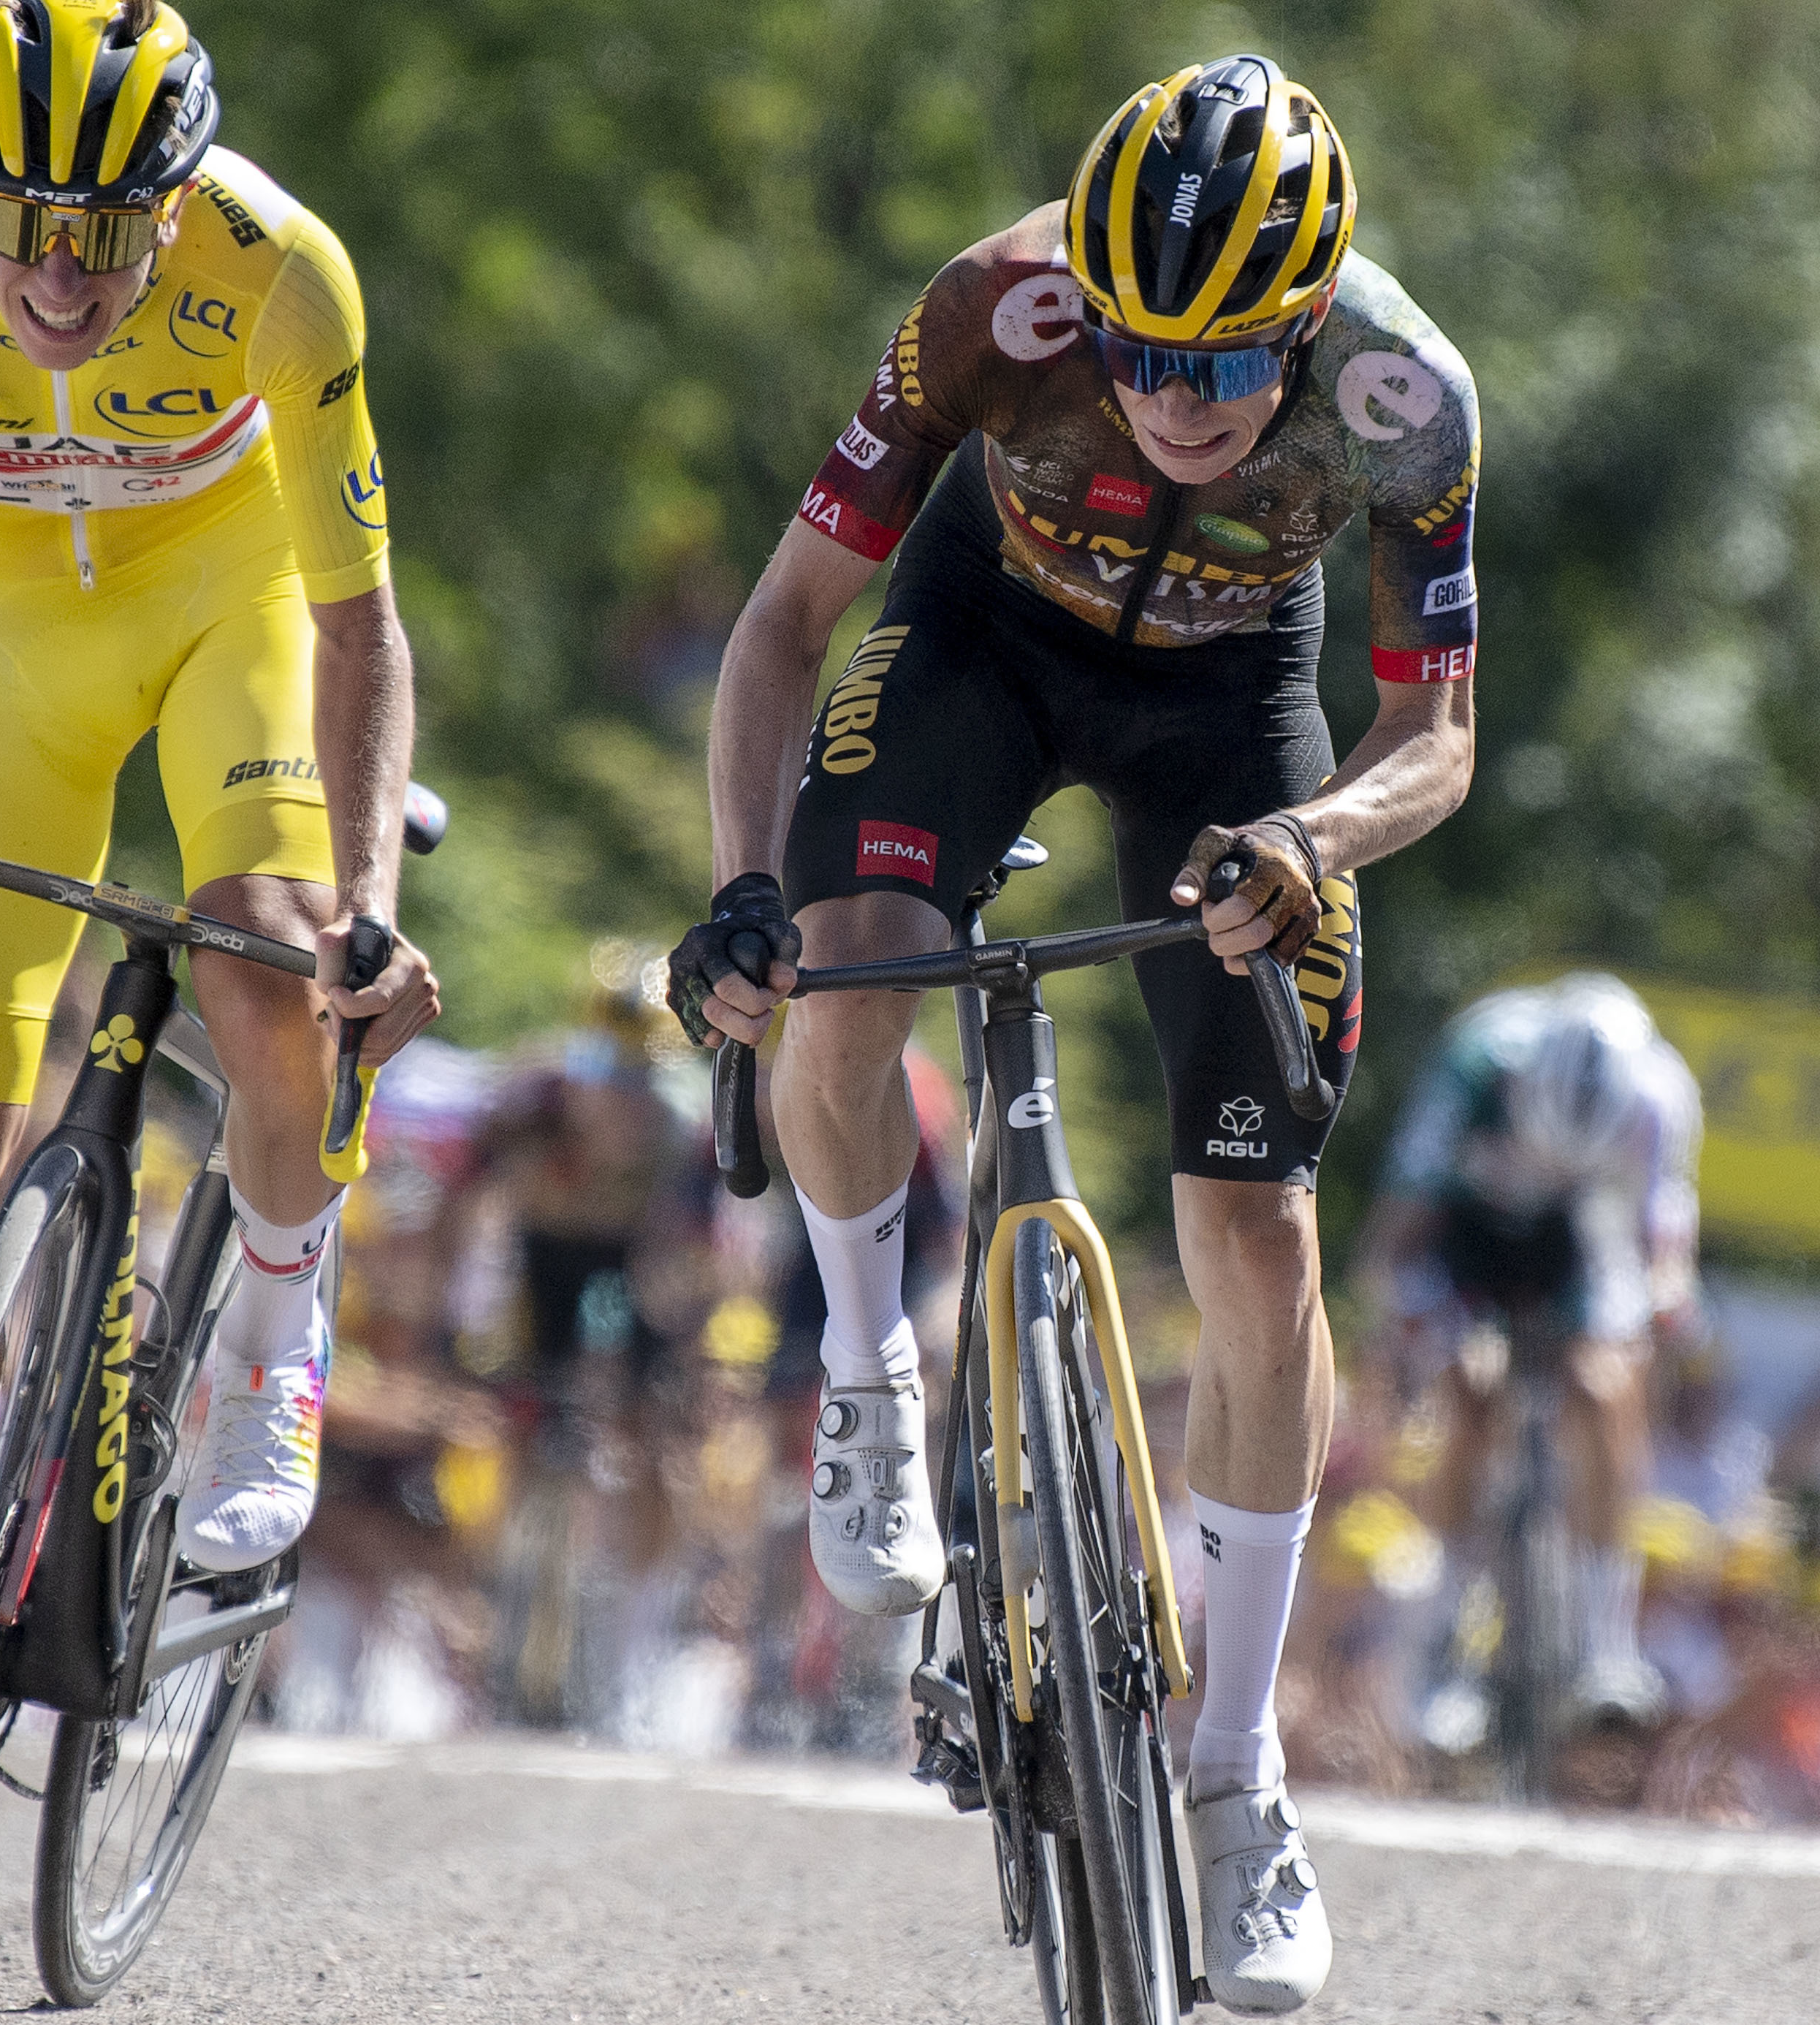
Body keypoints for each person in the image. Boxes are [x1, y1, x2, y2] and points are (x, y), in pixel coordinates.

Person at [669, 56, 1480, 2015]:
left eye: (1221, 365)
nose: (1173, 398)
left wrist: (1306, 837)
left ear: (1302, 323)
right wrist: (740, 886)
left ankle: (1234, 1771)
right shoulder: (988, 312)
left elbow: (1437, 731)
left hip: (1233, 711)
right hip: (983, 635)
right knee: (852, 961)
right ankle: (870, 1368)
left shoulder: (1405, 398)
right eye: (1139, 353)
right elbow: (786, 623)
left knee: (1257, 1222)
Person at [0, 0, 438, 1659]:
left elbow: (359, 624)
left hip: (231, 606)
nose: (59, 279)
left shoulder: (282, 269)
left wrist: (363, 903)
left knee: (272, 959)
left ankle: (270, 1340)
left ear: (178, 204)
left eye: (107, 233)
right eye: (20, 229)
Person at [1362, 973, 1702, 1730]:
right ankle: (1445, 1621)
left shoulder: (1656, 1096)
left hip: (1578, 1236)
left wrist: (1667, 1313)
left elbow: (1661, 1248)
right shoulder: (1473, 1063)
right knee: (1470, 1384)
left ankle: (1603, 1645)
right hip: (1467, 1230)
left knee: (1601, 1383)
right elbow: (1397, 1232)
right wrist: (1406, 1319)